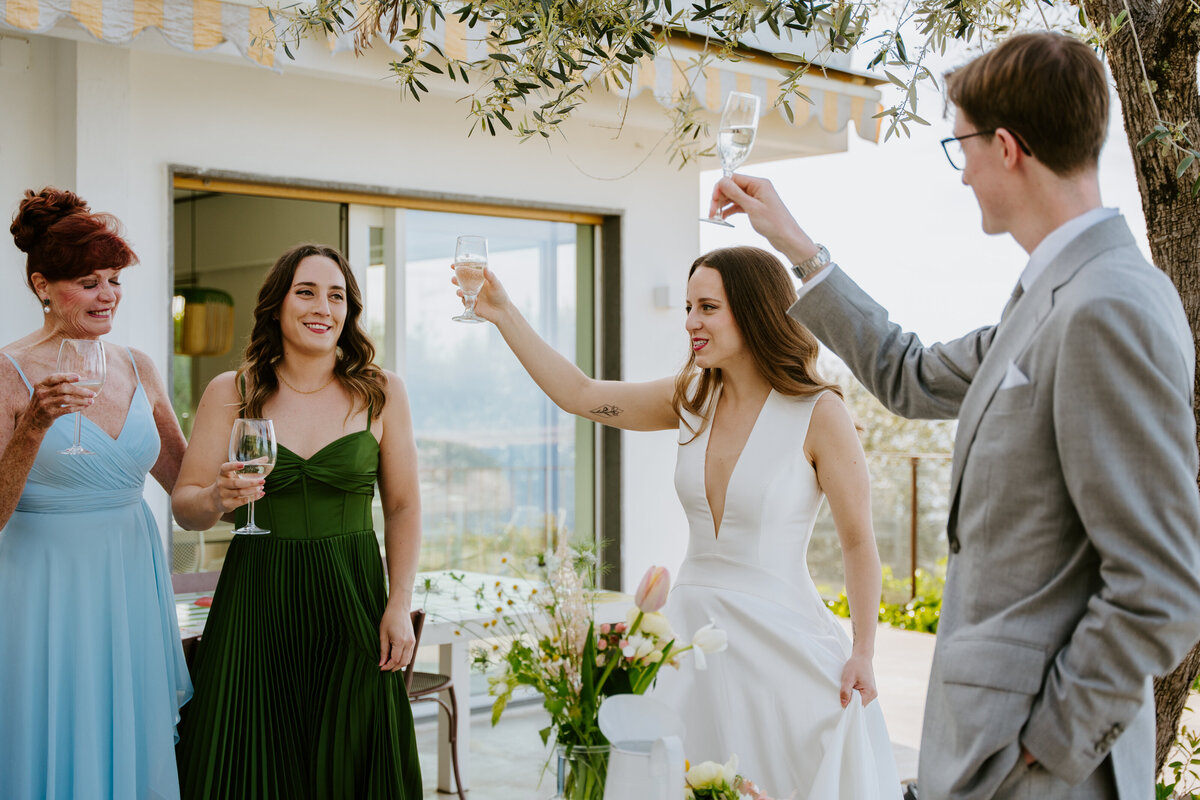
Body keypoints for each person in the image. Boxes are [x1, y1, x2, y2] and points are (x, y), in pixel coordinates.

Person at [712, 31, 1200, 800]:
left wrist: (1040, 752)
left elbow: (1162, 586)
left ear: (1006, 147)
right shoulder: (1052, 297)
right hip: (986, 762)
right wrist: (798, 249)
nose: (962, 171)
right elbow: (907, 376)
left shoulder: (1108, 307)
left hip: (1039, 776)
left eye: (960, 145)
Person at [456, 245, 900, 798]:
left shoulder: (820, 413)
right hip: (693, 645)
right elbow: (581, 395)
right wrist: (503, 314)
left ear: (755, 310)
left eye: (707, 307)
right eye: (689, 307)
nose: (691, 322)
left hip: (783, 650)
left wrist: (863, 651)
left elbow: (858, 541)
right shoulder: (690, 399)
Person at [171, 243, 423, 799]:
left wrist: (398, 603)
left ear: (349, 312)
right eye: (305, 291)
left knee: (349, 761)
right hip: (255, 603)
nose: (322, 307)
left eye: (336, 296)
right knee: (247, 764)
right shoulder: (230, 392)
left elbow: (403, 506)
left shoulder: (383, 392)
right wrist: (217, 495)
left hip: (353, 600)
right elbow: (185, 507)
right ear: (277, 306)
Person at [0, 187, 192, 799]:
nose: (107, 294)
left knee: (127, 731)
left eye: (114, 279)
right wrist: (33, 426)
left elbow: (183, 487)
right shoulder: (6, 371)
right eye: (88, 281)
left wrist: (228, 482)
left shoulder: (138, 366)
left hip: (130, 581)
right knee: (44, 728)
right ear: (42, 286)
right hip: (41, 588)